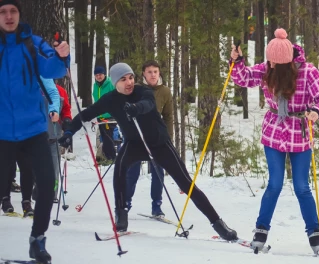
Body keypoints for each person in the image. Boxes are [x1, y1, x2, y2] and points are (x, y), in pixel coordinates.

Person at [58, 63, 239, 241]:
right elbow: (87, 114)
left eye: (131, 77)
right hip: (134, 144)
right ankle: (121, 215)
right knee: (119, 170)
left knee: (187, 184)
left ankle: (218, 223)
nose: (129, 82)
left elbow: (148, 103)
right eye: (123, 79)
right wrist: (68, 132)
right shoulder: (110, 99)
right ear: (115, 82)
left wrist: (135, 108)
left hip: (158, 143)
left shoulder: (143, 91)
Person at [230, 28, 319, 254]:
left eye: (277, 63)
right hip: (274, 132)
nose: (272, 66)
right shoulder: (268, 68)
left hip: (300, 133)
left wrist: (317, 111)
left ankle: (315, 236)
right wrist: (237, 61)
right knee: (275, 184)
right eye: (270, 62)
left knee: (301, 186)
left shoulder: (307, 72)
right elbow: (243, 77)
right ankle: (260, 232)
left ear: (288, 62)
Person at [0, 0, 71, 264]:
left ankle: (37, 241)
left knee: (47, 184)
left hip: (33, 130)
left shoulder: (33, 43)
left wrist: (63, 54)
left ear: (20, 14)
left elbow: (55, 68)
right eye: (3, 12)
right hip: (2, 132)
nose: (8, 16)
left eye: (13, 11)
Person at [125, 60, 174, 217]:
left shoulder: (165, 91)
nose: (153, 75)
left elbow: (168, 116)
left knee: (158, 172)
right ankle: (125, 204)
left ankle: (156, 206)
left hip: (156, 137)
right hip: (137, 136)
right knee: (132, 172)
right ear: (143, 74)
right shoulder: (136, 89)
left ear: (159, 73)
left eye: (155, 72)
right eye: (149, 72)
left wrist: (167, 138)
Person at [92, 65, 117, 163]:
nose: (99, 76)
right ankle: (106, 157)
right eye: (97, 75)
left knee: (108, 138)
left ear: (104, 74)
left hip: (109, 116)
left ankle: (111, 158)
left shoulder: (110, 83)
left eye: (100, 74)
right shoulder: (96, 85)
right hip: (100, 116)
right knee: (103, 137)